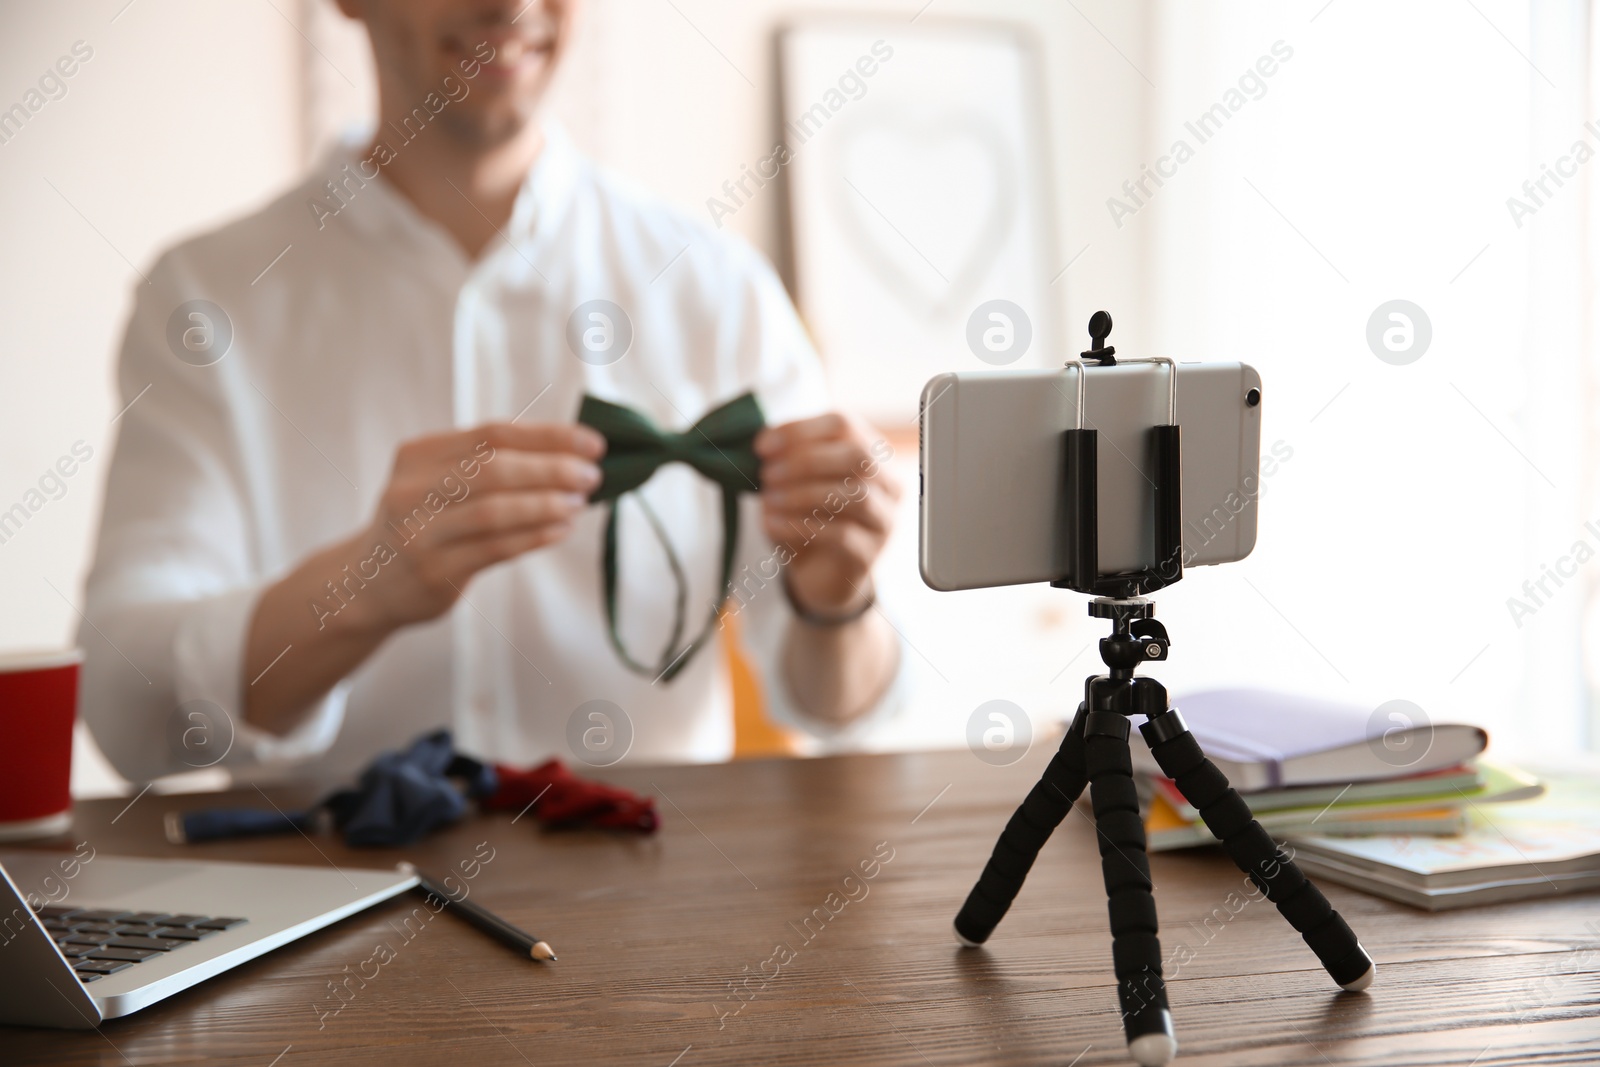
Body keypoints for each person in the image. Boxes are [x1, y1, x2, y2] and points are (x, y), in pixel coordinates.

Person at [78, 0, 903, 786]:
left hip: (662, 903)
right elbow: (124, 708)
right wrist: (363, 587)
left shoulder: (717, 287)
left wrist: (836, 599)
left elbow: (840, 713)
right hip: (331, 904)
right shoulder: (204, 298)